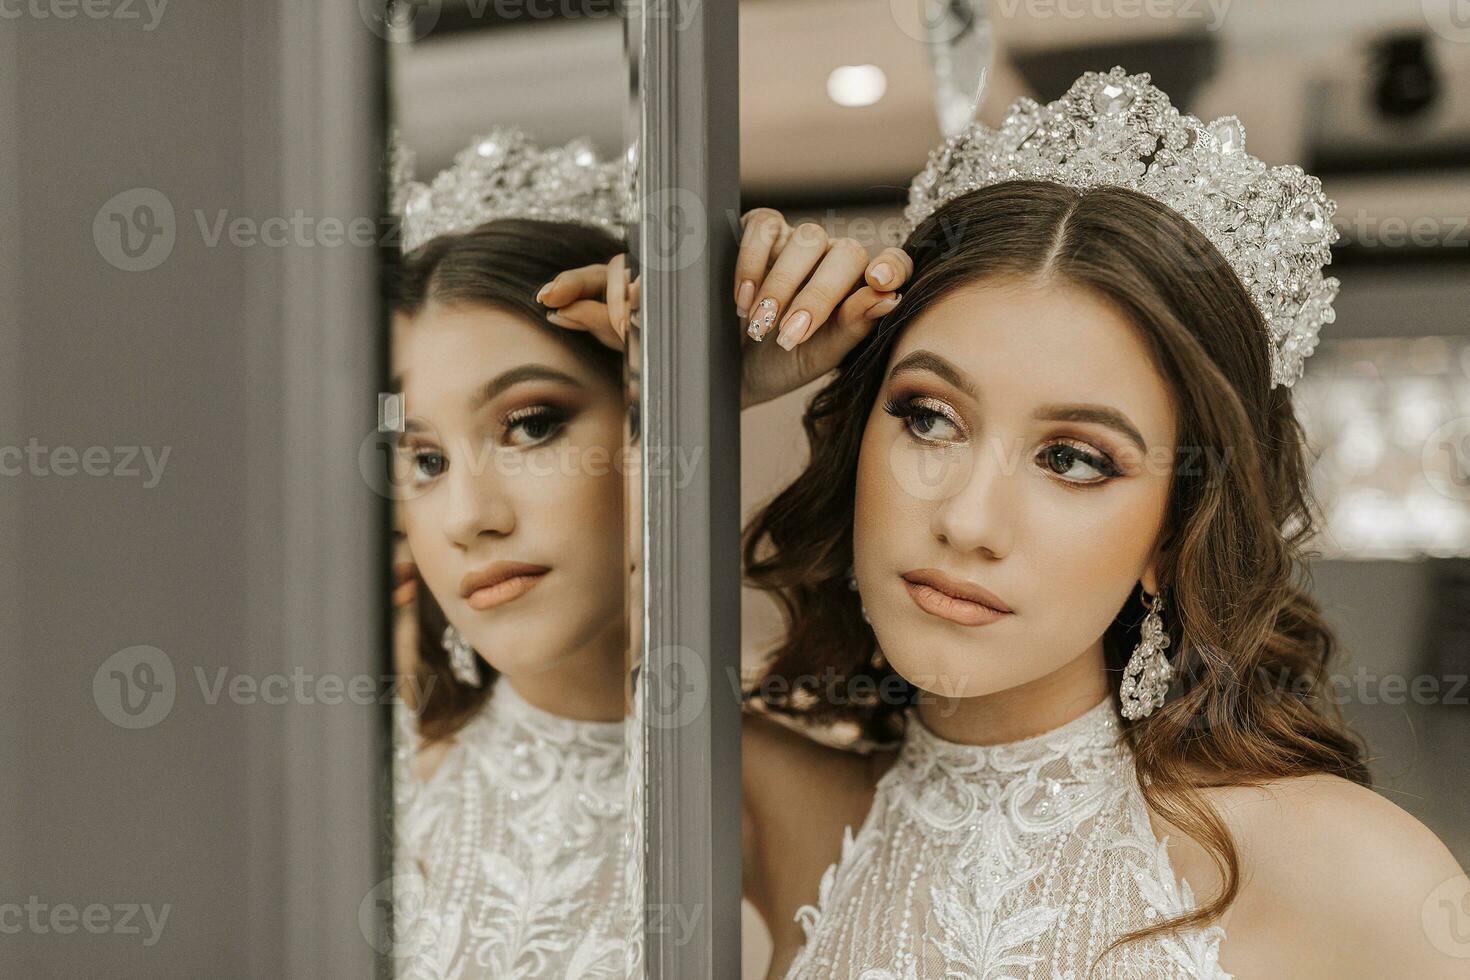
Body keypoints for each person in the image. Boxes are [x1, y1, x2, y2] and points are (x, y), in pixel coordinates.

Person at [725, 68, 1469, 979]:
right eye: (928, 417)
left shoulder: (1347, 874)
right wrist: (691, 388)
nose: (967, 520)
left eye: (1073, 458)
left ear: (1173, 532)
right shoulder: (785, 809)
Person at [384, 129, 633, 980]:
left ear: (649, 423)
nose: (468, 518)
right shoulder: (368, 800)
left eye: (530, 426)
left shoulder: (797, 802)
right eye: (424, 461)